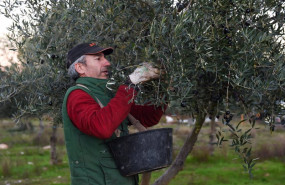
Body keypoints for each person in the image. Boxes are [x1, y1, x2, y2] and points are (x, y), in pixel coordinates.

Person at [62, 42, 166, 185]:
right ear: (80, 67)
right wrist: (131, 84)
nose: (107, 63)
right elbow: (101, 127)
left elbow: (148, 117)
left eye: (104, 58)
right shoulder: (77, 95)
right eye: (98, 59)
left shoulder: (109, 94)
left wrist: (165, 90)